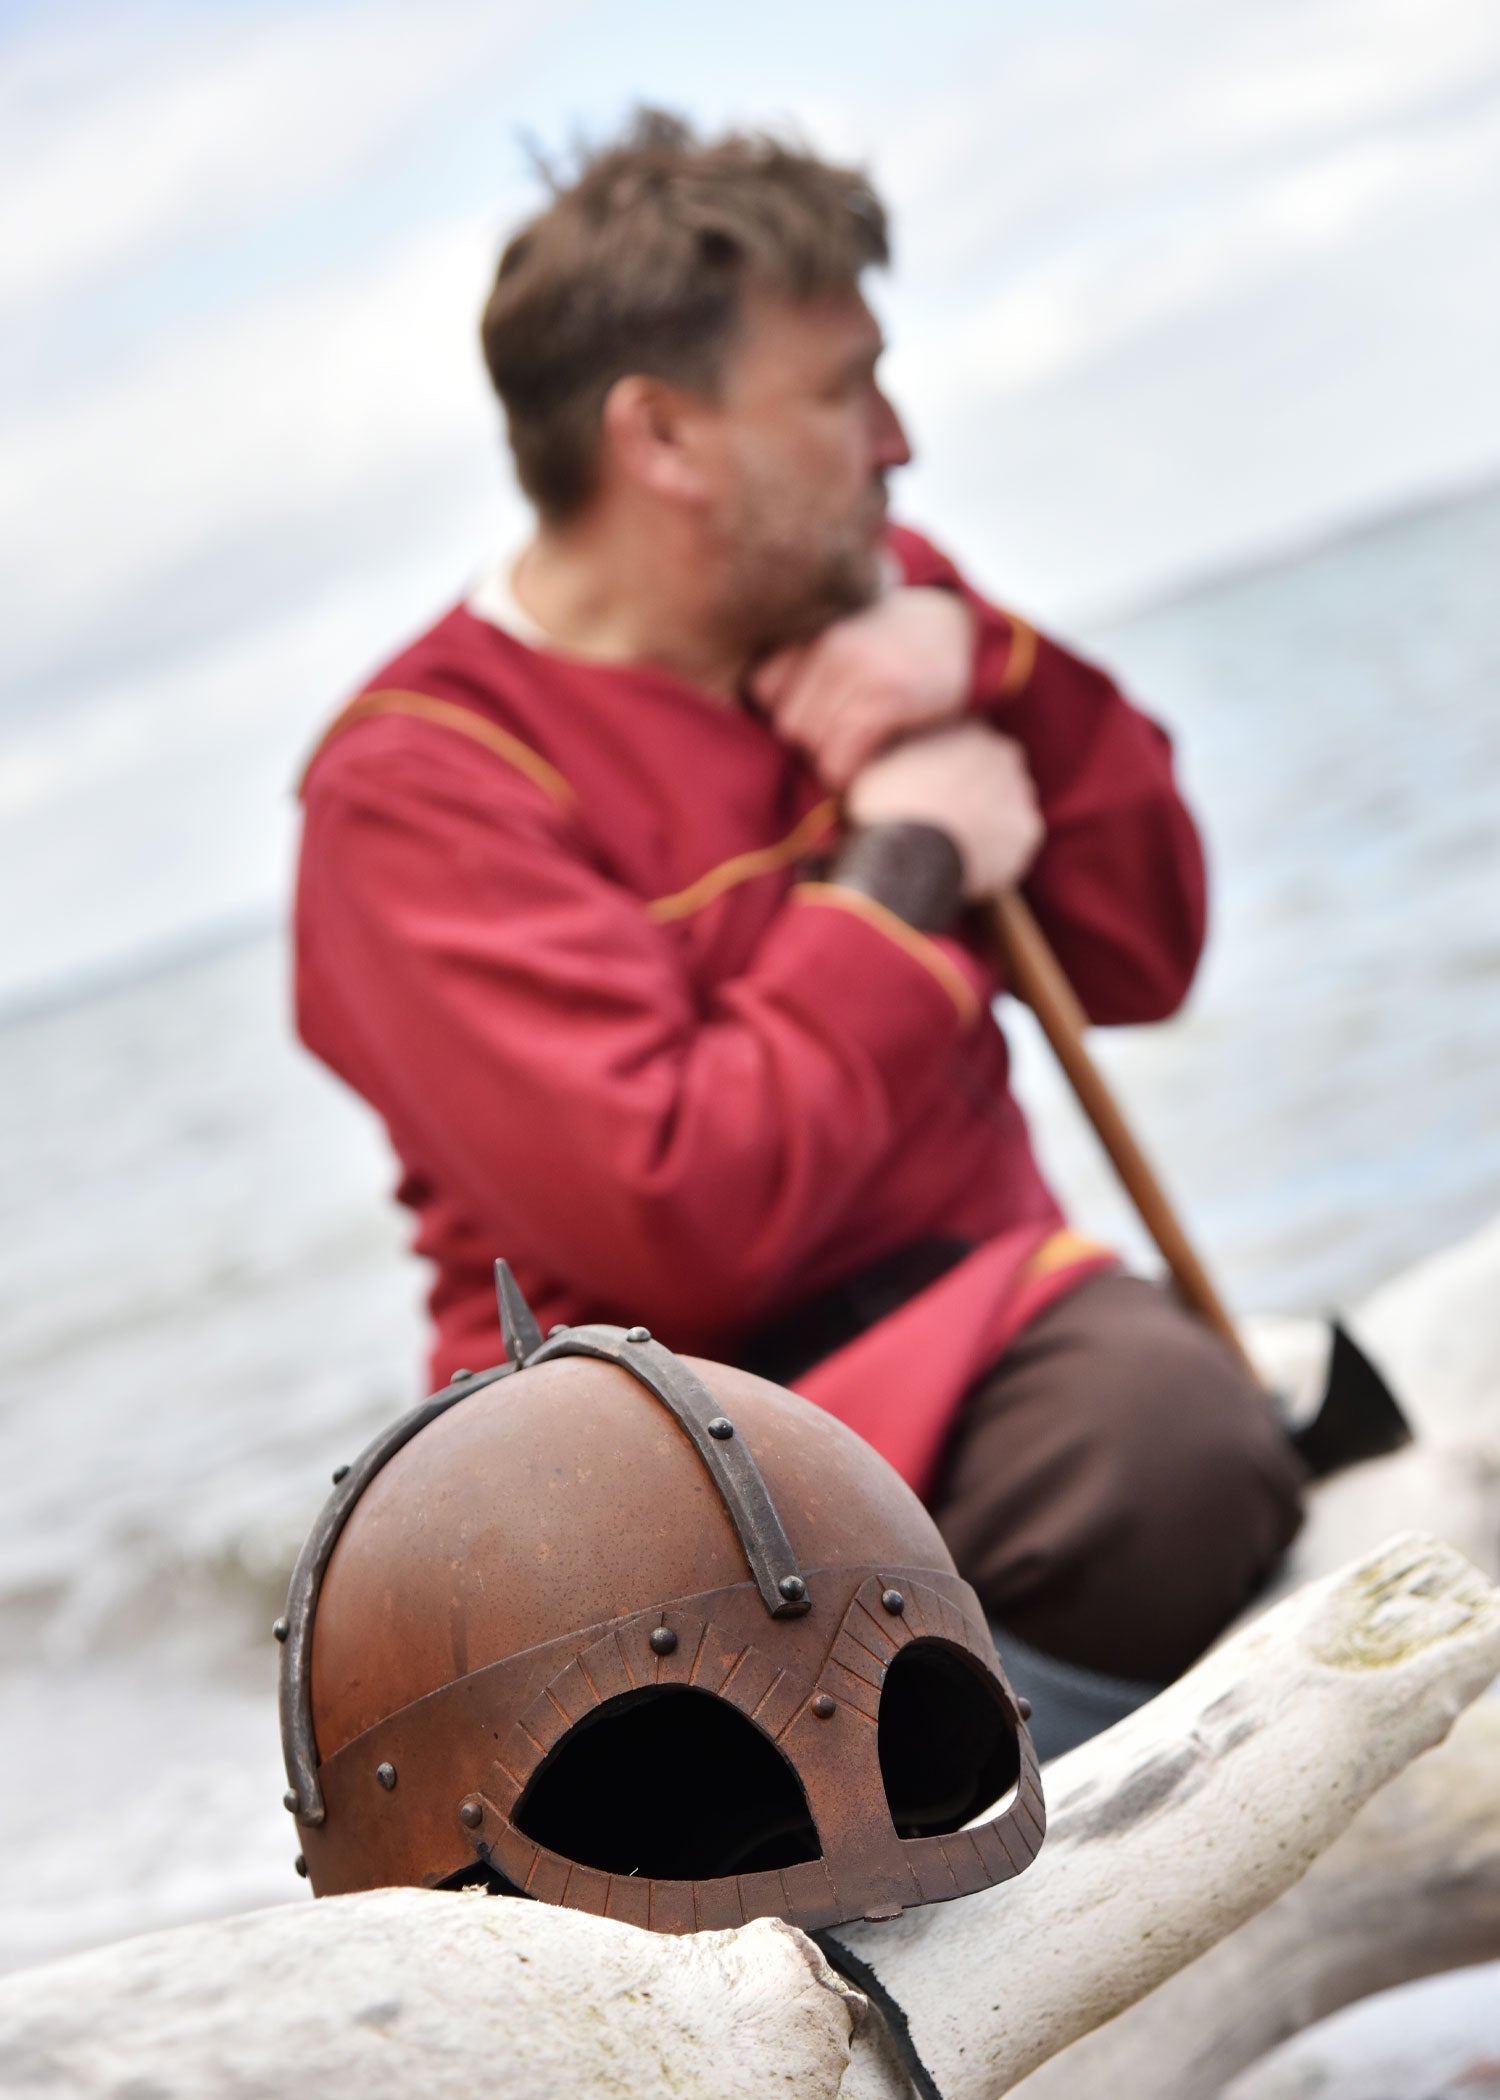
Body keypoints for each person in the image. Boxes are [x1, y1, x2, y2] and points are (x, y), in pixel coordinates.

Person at [294, 111, 1303, 1749]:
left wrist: (997, 669)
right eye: (839, 392)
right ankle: (908, 1852)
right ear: (665, 440)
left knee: (1166, 1449)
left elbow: (1145, 947)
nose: (897, 439)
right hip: (664, 1460)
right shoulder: (416, 789)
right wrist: (908, 858)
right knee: (1157, 1449)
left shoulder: (878, 600)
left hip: (1000, 1335)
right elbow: (679, 1216)